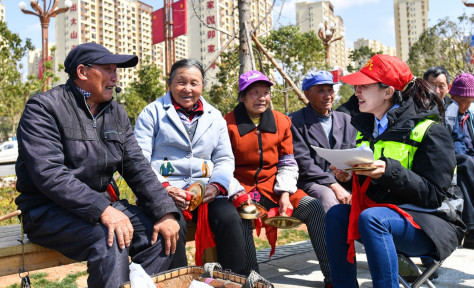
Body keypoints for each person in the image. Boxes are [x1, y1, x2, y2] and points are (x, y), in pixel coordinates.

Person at [15, 42, 180, 288]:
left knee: (163, 233)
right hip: (46, 211)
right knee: (109, 239)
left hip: (101, 208)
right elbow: (50, 175)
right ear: (82, 72)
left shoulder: (116, 112)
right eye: (108, 69)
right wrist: (102, 210)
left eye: (116, 71)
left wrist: (165, 211)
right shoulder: (43, 109)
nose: (115, 78)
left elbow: (136, 165)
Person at [325, 54, 465, 287]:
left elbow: (434, 196)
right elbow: (376, 186)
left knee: (373, 218)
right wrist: (349, 177)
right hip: (387, 214)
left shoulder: (430, 130)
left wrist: (388, 172)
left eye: (364, 86)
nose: (356, 92)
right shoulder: (366, 129)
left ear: (388, 92)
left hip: (433, 224)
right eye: (356, 86)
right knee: (336, 215)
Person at [133, 59, 247, 274]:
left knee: (229, 218)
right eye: (181, 82)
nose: (188, 89)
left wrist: (216, 187)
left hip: (205, 192)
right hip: (167, 193)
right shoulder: (152, 113)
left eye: (194, 83)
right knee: (174, 227)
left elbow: (224, 159)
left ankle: (234, 281)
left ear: (202, 86)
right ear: (169, 84)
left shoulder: (215, 117)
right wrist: (165, 188)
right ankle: (179, 281)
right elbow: (140, 159)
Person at [224, 70, 332, 287]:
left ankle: (333, 276)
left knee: (313, 207)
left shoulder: (282, 121)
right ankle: (253, 279)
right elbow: (223, 165)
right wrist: (238, 195)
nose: (262, 97)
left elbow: (288, 162)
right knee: (242, 217)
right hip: (239, 189)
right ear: (242, 97)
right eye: (255, 93)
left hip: (275, 188)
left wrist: (284, 194)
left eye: (266, 92)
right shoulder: (226, 124)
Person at [290, 71, 356, 212]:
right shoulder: (295, 122)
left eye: (330, 90)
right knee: (328, 197)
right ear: (307, 94)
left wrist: (347, 175)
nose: (328, 96)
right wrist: (333, 184)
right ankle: (330, 234)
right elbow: (304, 163)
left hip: (343, 180)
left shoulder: (346, 120)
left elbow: (351, 154)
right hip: (311, 181)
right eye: (321, 91)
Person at [448, 73, 474, 248]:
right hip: (456, 160)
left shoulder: (469, 115)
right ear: (454, 96)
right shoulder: (449, 113)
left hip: (468, 160)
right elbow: (457, 145)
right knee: (465, 163)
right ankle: (471, 228)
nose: (468, 104)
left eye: (471, 101)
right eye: (465, 100)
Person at [423, 66, 466, 154]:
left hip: (448, 155)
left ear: (449, 88)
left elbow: (457, 137)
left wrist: (458, 156)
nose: (436, 91)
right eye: (432, 85)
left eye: (441, 86)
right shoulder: (417, 106)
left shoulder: (453, 107)